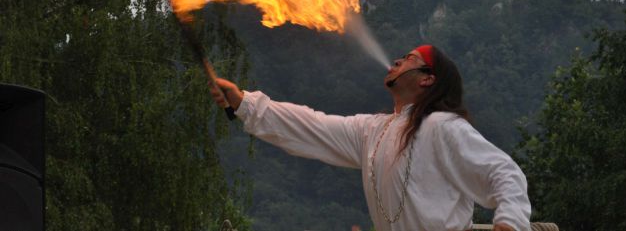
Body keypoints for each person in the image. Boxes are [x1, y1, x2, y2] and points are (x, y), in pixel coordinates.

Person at [211, 45, 531, 231]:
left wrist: (509, 225)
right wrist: (244, 103)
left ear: (428, 80)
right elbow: (311, 127)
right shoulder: (373, 131)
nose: (396, 62)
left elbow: (505, 174)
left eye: (408, 59)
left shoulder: (443, 127)